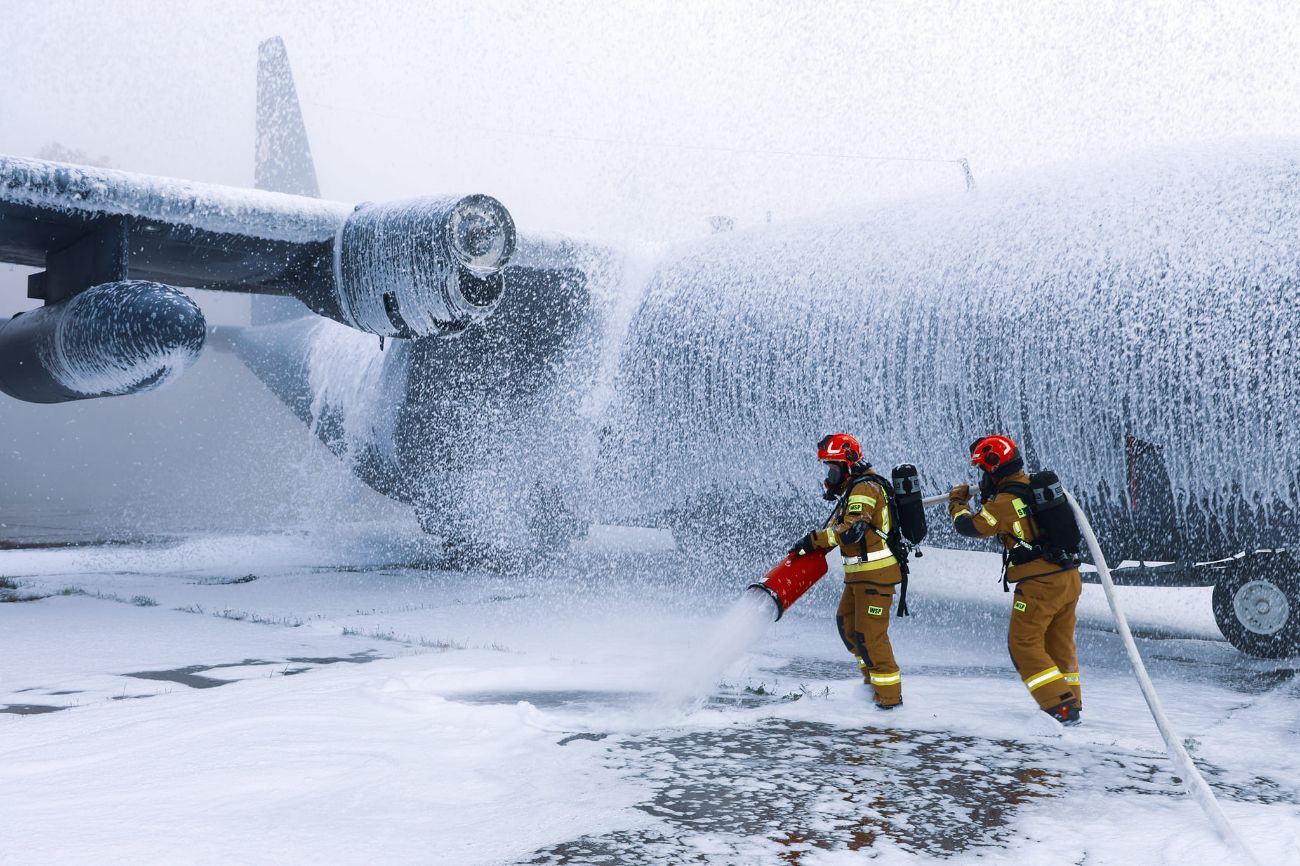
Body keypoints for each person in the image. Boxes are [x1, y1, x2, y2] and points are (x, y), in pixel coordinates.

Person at [948, 435, 1083, 725]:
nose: (983, 476)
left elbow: (971, 527)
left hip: (1040, 584)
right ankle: (1071, 702)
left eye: (984, 470)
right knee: (1059, 643)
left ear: (995, 467)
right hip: (1068, 578)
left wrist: (957, 502)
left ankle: (1059, 707)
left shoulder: (1004, 501)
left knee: (1023, 644)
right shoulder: (1030, 487)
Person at [790, 433, 903, 709]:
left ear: (849, 464)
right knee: (849, 629)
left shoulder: (864, 489)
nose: (830, 475)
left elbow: (852, 530)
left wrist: (815, 539)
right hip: (859, 577)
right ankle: (871, 688)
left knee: (871, 637)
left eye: (833, 468)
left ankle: (890, 704)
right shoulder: (854, 489)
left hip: (876, 577)